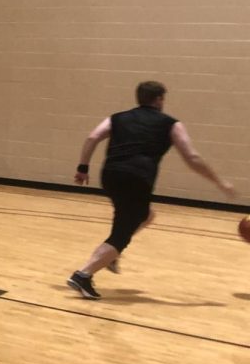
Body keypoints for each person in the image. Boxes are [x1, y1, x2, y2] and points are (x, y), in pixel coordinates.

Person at [68, 80, 235, 300]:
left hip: (110, 175)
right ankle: (84, 274)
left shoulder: (118, 118)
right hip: (137, 179)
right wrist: (219, 182)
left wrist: (82, 167)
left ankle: (112, 254)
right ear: (159, 99)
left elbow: (92, 137)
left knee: (146, 215)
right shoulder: (170, 124)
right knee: (122, 233)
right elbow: (192, 157)